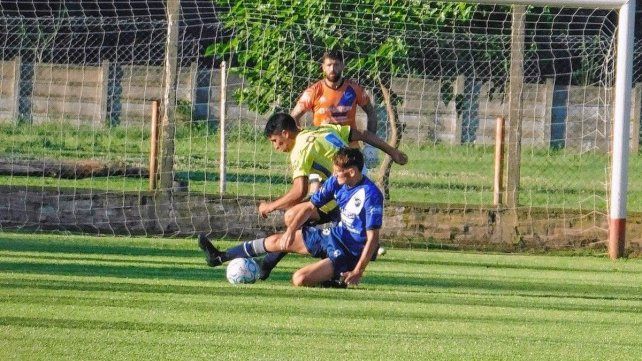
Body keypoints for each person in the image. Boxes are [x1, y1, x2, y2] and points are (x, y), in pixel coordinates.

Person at [212, 112, 406, 282]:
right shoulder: (322, 130)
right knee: (294, 222)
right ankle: (263, 264)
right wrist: (393, 151)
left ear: (285, 134)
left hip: (346, 199)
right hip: (344, 192)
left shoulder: (300, 149)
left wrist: (270, 206)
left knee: (292, 218)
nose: (275, 147)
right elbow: (362, 134)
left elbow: (299, 191)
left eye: (274, 141)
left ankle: (337, 268)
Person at [199, 148, 383, 288]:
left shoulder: (371, 194)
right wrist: (290, 231)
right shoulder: (336, 182)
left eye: (337, 171)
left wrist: (359, 270)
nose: (334, 175)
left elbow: (373, 238)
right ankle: (219, 257)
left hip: (349, 252)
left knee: (299, 279)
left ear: (351, 172)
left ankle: (336, 279)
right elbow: (310, 206)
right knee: (277, 241)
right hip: (334, 235)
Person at [290, 50, 379, 165]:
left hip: (350, 149)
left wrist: (370, 146)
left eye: (336, 65)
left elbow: (371, 113)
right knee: (318, 183)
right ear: (323, 67)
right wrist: (300, 140)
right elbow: (294, 117)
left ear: (342, 66)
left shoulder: (354, 89)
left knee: (355, 181)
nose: (332, 69)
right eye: (329, 65)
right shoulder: (314, 91)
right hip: (322, 149)